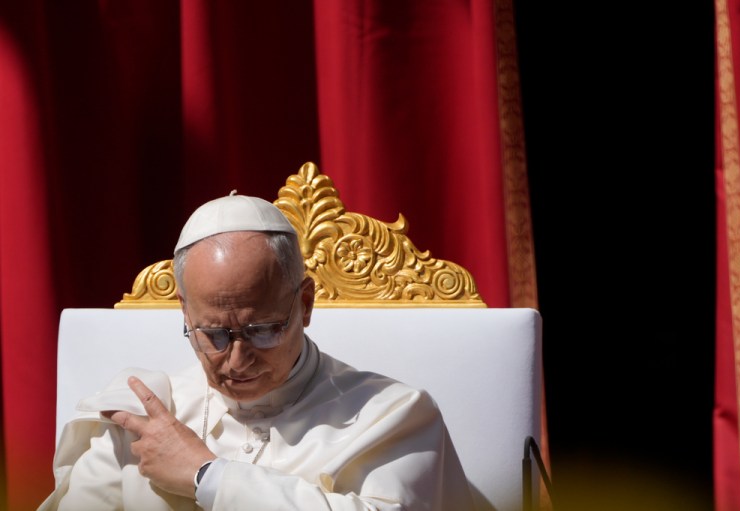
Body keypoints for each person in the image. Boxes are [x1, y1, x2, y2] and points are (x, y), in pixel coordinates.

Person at [39, 192, 475, 511]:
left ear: (304, 305)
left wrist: (207, 476)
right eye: (214, 334)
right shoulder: (143, 415)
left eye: (263, 330)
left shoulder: (394, 413)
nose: (237, 360)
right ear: (185, 313)